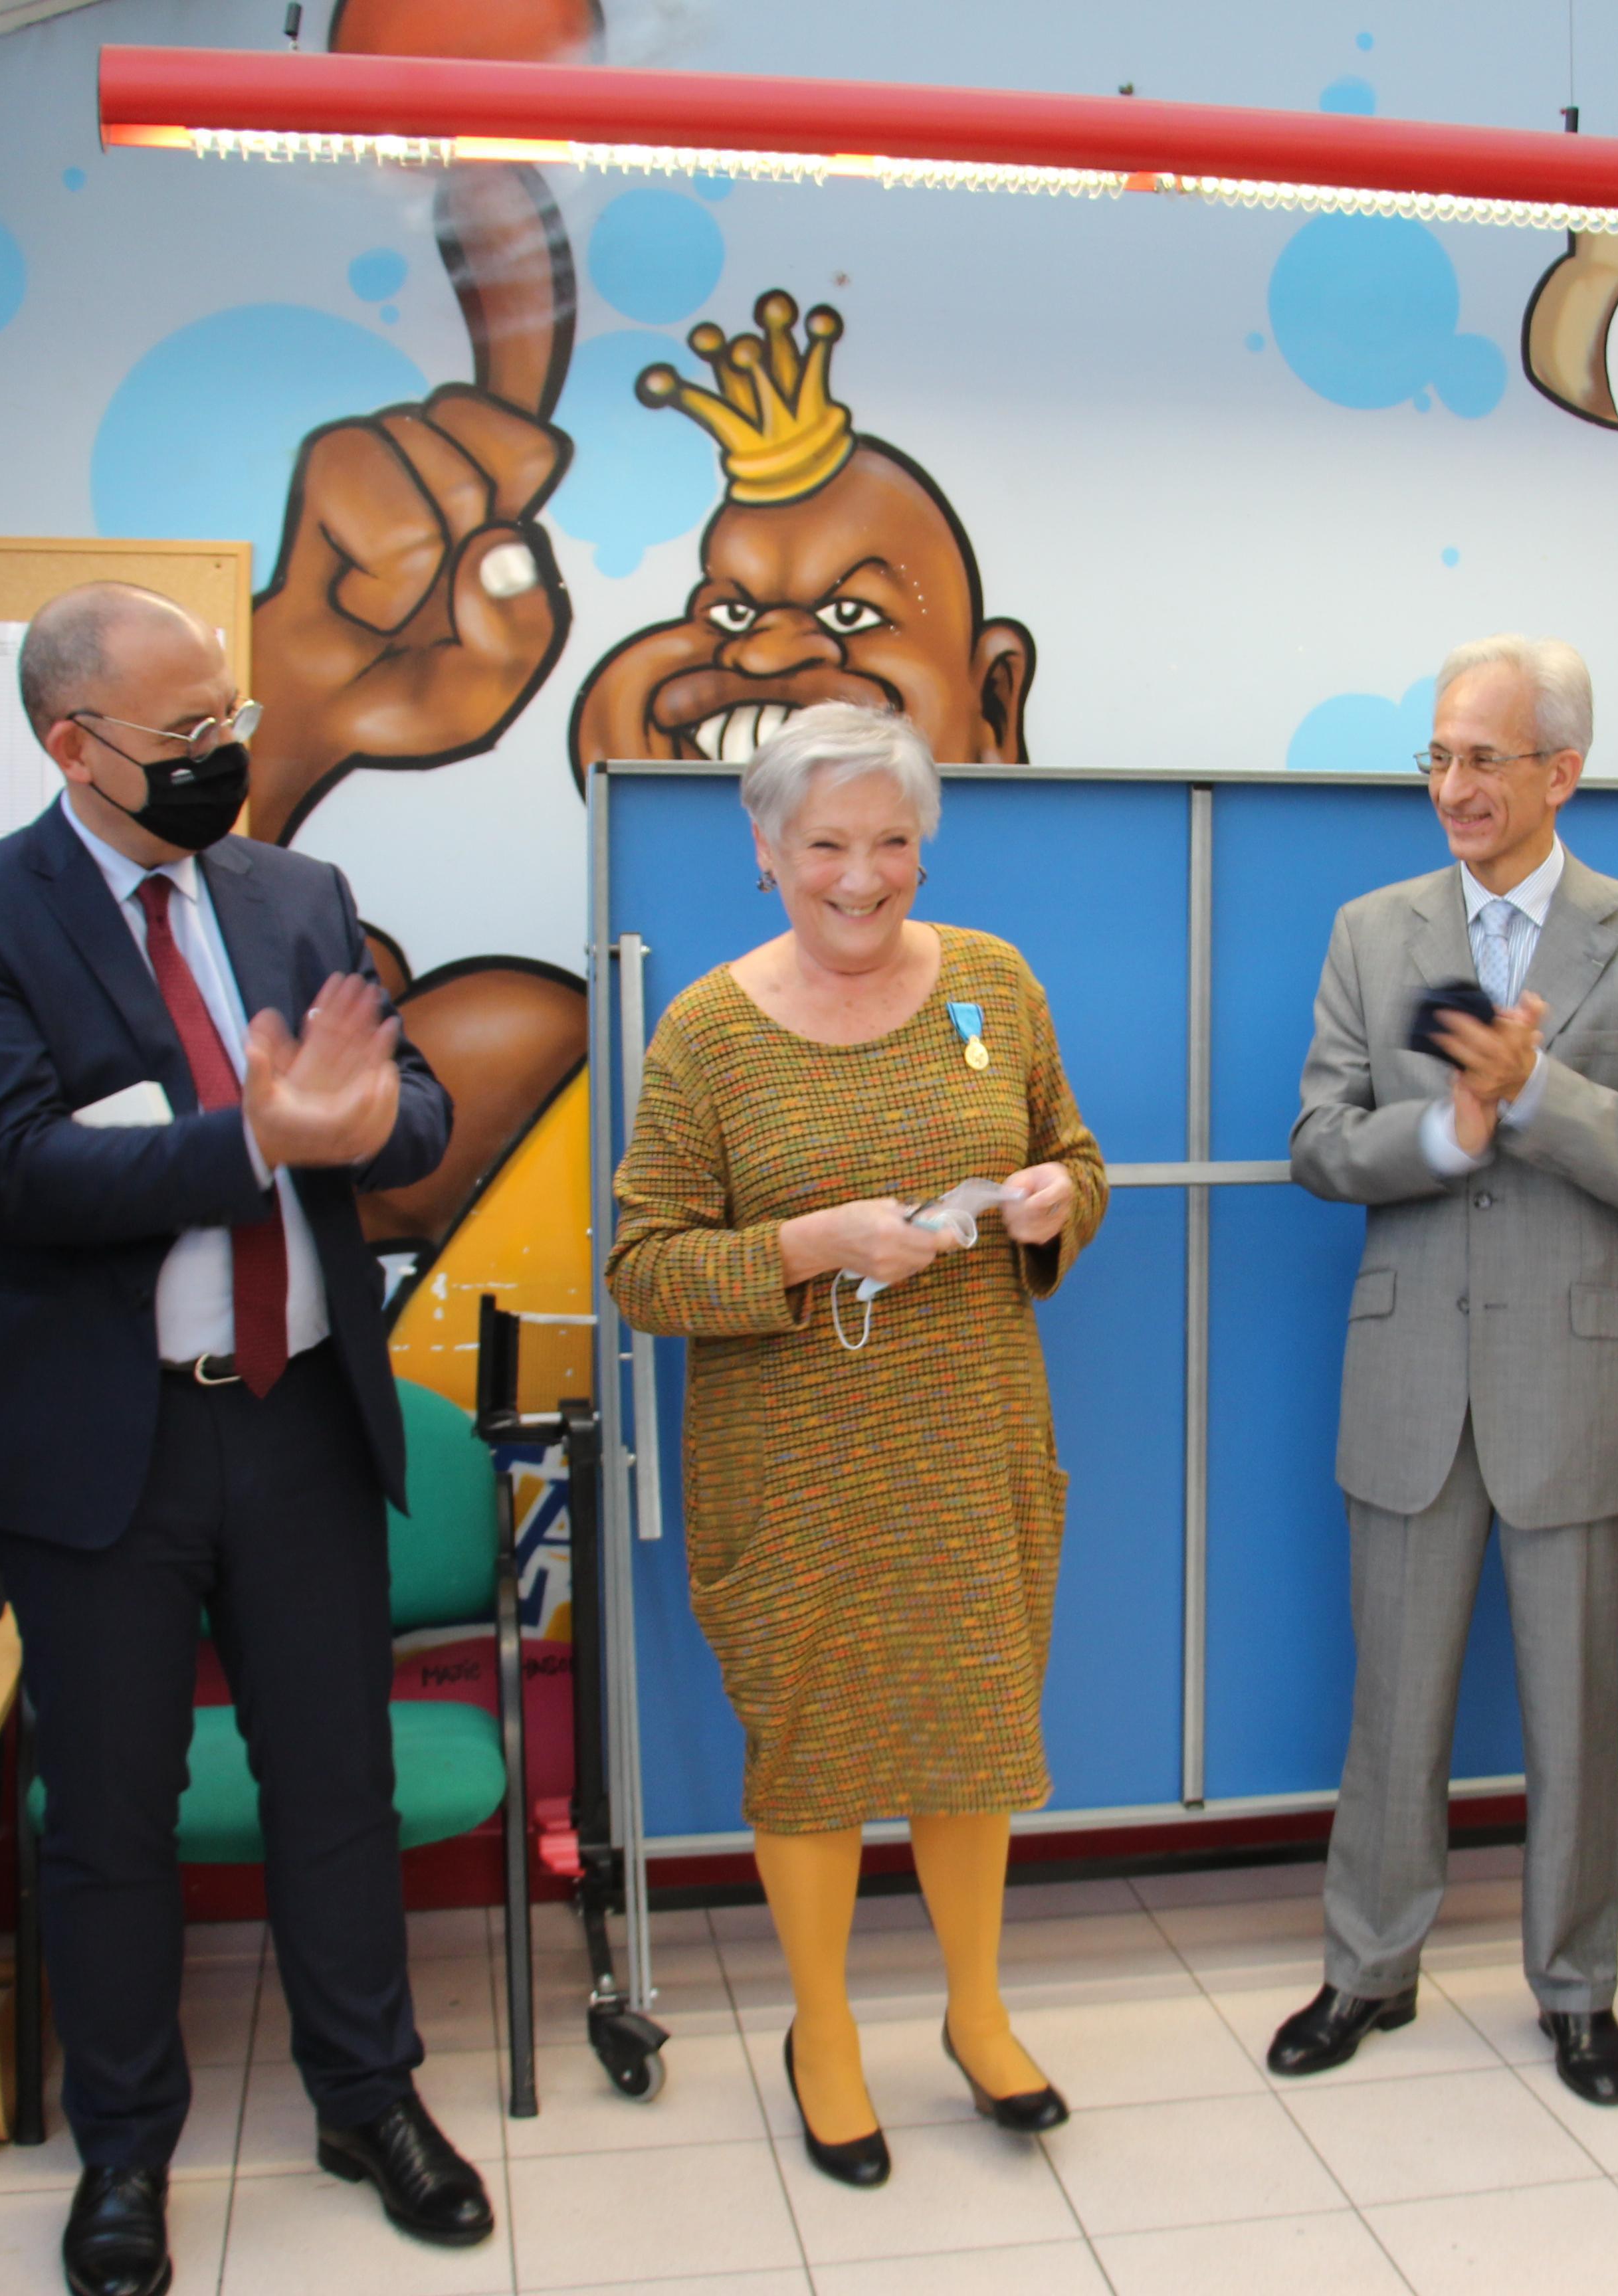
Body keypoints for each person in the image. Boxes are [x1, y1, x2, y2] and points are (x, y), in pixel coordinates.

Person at [0, 585, 469, 2296]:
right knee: (113, 1814)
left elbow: (412, 1094)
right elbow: (16, 1169)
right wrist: (255, 1142)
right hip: (97, 1450)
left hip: (294, 1420)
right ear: (73, 745)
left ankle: (371, 2101)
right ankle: (124, 2154)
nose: (223, 753)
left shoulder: (297, 893)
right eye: (183, 736)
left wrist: (374, 1123)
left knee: (338, 1787)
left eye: (227, 721)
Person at [607, 701, 1104, 2188]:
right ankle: (821, 2033)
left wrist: (1054, 1202)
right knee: (815, 1754)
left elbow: (1076, 1156)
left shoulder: (996, 986)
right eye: (827, 843)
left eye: (894, 843)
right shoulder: (705, 1030)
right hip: (795, 1466)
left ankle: (975, 2015)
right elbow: (641, 1270)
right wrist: (811, 1245)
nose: (863, 876)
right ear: (765, 851)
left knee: (973, 1738)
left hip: (969, 1441)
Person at [1272, 632, 1618, 2108]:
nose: (1455, 786)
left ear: (1562, 773)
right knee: (1392, 1701)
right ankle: (1366, 1970)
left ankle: (1577, 1991)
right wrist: (1449, 1135)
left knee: (1575, 1712)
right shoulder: (1372, 930)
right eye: (1440, 757)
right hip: (1409, 1387)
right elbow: (1321, 1145)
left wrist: (1536, 1095)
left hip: (1578, 1390)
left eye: (1485, 758)